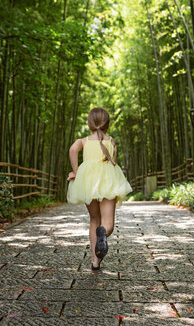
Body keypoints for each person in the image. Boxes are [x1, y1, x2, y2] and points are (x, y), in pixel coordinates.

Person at [67, 107, 132, 270]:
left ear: (89, 124)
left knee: (94, 220)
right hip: (108, 182)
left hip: (89, 182)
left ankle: (95, 261)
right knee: (107, 223)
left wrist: (75, 172)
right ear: (108, 125)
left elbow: (72, 149)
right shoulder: (111, 142)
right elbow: (113, 162)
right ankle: (103, 233)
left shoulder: (83, 141)